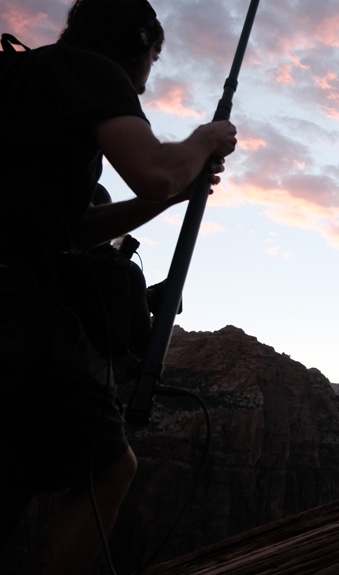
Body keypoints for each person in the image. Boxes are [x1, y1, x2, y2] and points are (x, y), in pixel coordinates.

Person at [0, 0, 237, 572]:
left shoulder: (25, 80)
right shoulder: (92, 70)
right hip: (15, 303)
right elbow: (154, 168)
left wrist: (171, 197)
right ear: (136, 42)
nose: (149, 80)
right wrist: (206, 139)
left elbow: (76, 230)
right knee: (112, 464)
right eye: (153, 57)